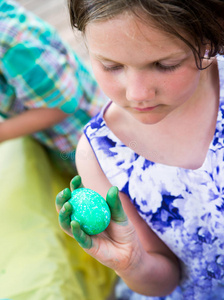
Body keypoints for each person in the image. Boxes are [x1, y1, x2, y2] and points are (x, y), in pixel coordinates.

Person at [56, 0, 224, 299]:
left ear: (208, 40)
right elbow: (164, 280)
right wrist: (132, 262)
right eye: (112, 66)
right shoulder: (99, 154)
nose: (137, 93)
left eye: (164, 64)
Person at [0, 1, 116, 299]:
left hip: (90, 140)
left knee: (116, 200)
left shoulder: (13, 44)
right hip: (59, 142)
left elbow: (63, 104)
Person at [0, 0, 107, 174]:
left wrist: (2, 133)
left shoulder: (9, 42)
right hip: (65, 141)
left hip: (92, 142)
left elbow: (63, 105)